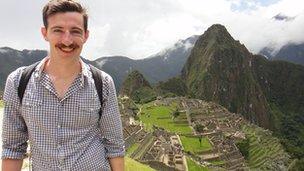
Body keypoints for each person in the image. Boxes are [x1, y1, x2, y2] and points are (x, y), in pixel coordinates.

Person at [1, 0, 125, 170]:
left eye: (75, 31)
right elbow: (13, 147)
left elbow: (114, 145)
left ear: (86, 36)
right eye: (58, 30)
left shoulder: (102, 83)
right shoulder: (18, 82)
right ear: (45, 33)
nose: (67, 40)